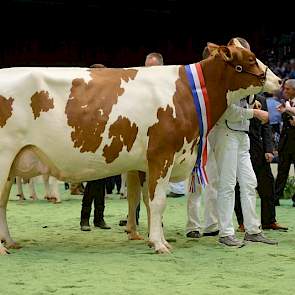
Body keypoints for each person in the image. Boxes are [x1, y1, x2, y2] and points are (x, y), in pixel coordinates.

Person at [213, 37, 277, 246]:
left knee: (250, 183)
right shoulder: (225, 78)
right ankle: (226, 232)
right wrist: (254, 112)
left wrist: (252, 105)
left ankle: (252, 229)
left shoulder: (242, 77)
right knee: (228, 184)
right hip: (227, 134)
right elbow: (225, 112)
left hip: (242, 137)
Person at [119, 52, 164, 227]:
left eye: (152, 68)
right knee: (134, 183)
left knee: (153, 185)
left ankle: (154, 223)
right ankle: (133, 221)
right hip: (134, 142)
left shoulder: (166, 89)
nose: (148, 72)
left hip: (154, 144)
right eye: (146, 68)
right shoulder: (136, 86)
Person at [234, 94, 288, 231]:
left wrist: (269, 149)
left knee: (268, 183)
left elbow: (266, 126)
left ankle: (269, 221)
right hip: (236, 143)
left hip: (257, 146)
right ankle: (242, 222)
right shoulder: (235, 96)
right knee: (239, 186)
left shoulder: (261, 99)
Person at [274, 79, 295, 206]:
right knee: (282, 171)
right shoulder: (286, 103)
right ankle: (276, 196)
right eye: (284, 88)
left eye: (287, 89)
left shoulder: (287, 105)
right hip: (286, 143)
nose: (284, 91)